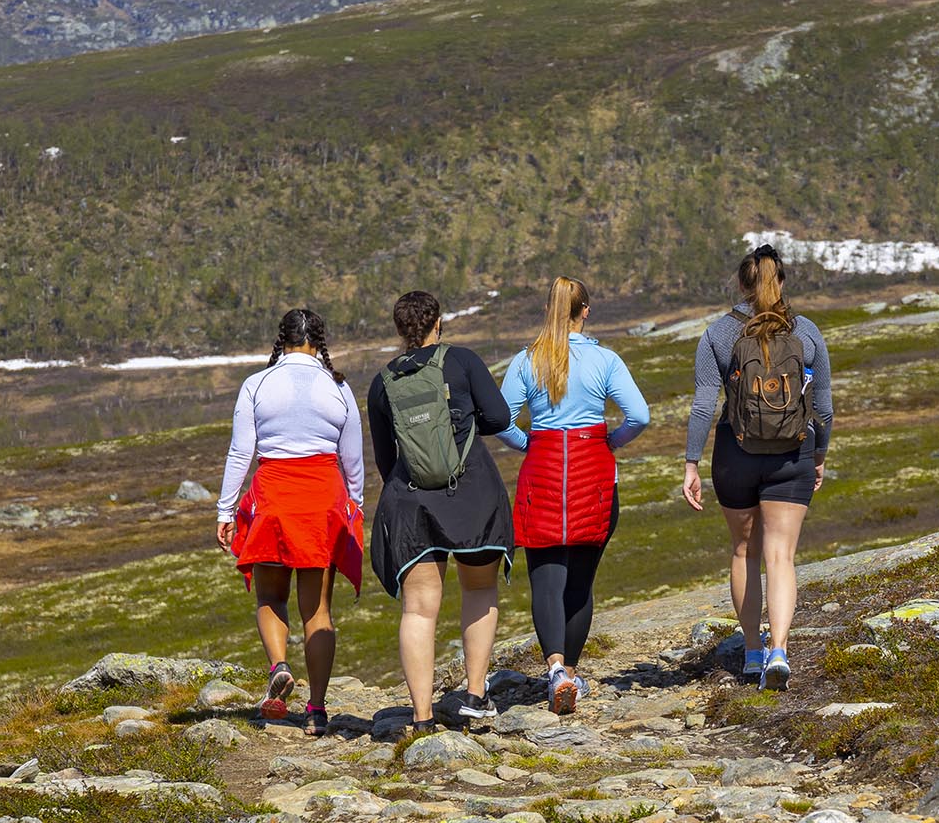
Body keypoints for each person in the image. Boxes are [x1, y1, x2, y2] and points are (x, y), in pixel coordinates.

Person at [682, 244, 833, 690]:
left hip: (736, 455)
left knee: (744, 551)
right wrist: (818, 456)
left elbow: (704, 404)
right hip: (793, 454)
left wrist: (691, 462)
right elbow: (822, 410)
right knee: (781, 556)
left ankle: (751, 651)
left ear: (741, 285)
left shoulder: (718, 334)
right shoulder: (805, 332)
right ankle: (780, 650)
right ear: (781, 282)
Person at [498, 276, 649, 714]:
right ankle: (572, 674)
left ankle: (555, 669)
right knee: (580, 582)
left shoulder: (526, 361)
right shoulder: (605, 360)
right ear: (585, 311)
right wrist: (612, 441)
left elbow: (502, 419)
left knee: (545, 578)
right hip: (593, 473)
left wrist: (530, 443)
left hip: (543, 470)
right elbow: (639, 415)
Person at [367, 291, 513, 736]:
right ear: (439, 323)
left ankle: (422, 717)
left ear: (399, 329)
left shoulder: (381, 383)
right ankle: (473, 695)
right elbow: (501, 416)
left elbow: (383, 457)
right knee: (479, 590)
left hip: (411, 502)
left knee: (418, 610)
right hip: (473, 495)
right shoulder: (463, 361)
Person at [215, 308, 365, 736]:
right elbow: (352, 458)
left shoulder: (256, 385)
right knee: (317, 613)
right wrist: (354, 508)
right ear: (318, 343)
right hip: (322, 499)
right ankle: (316, 710)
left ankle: (279, 665)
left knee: (270, 597)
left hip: (275, 496)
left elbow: (241, 452)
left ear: (281, 341)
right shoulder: (338, 387)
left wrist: (226, 511)